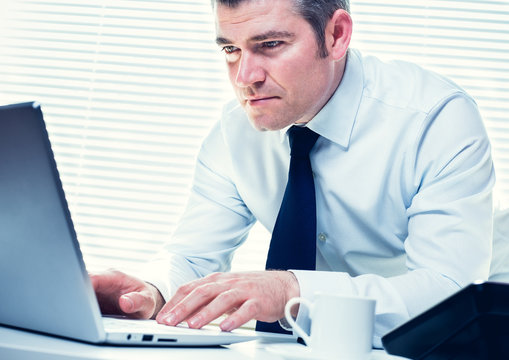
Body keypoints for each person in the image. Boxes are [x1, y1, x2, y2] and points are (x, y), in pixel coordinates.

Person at [90, 0, 495, 347]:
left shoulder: (436, 120)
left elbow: (448, 296)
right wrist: (151, 291)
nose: (245, 77)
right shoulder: (235, 130)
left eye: (269, 45)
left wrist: (293, 292)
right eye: (231, 49)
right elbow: (194, 257)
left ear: (336, 35)